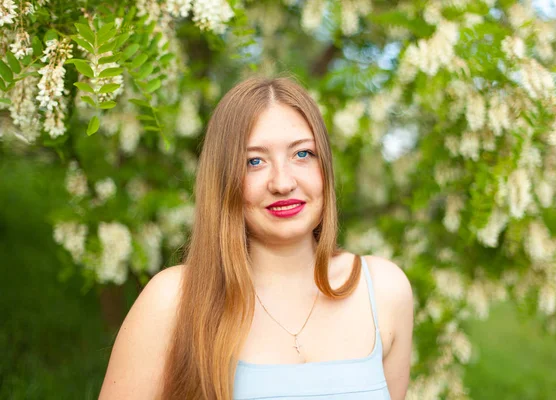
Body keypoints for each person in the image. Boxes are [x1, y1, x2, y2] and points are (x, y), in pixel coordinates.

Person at [99, 76, 413, 400]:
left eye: (302, 154)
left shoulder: (385, 291)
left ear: (325, 168)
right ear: (224, 180)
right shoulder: (172, 300)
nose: (282, 182)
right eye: (255, 161)